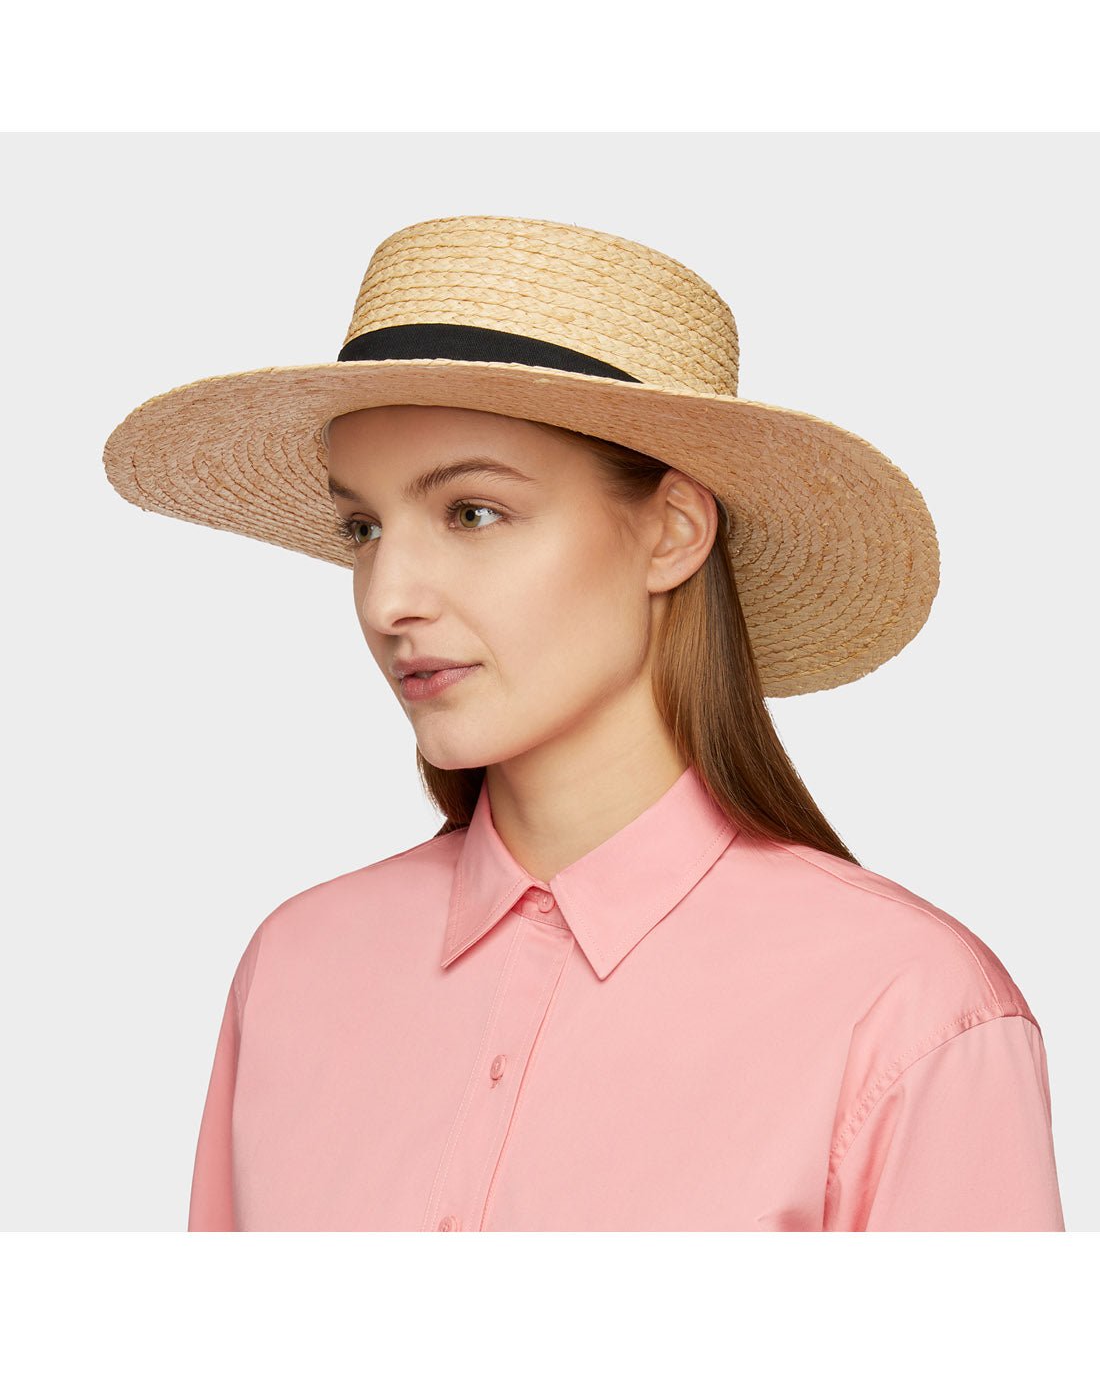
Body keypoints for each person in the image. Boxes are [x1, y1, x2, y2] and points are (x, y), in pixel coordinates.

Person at [102, 213, 1065, 1230]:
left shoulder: (903, 1008)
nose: (387, 597)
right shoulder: (297, 968)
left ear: (671, 530)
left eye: (473, 512)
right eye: (363, 526)